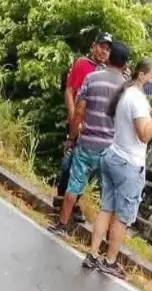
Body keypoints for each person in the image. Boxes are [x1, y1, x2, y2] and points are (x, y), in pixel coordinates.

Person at [84, 58, 152, 278]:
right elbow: (144, 134)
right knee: (122, 217)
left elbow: (145, 126)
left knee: (107, 209)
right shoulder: (138, 100)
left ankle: (93, 254)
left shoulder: (127, 94)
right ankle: (110, 260)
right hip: (128, 164)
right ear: (141, 75)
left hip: (113, 155)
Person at [48, 41, 129, 236]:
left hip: (87, 142)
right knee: (108, 196)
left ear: (109, 57)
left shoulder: (92, 78)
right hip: (110, 149)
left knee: (74, 184)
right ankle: (104, 241)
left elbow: (79, 111)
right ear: (125, 64)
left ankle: (62, 225)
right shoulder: (127, 89)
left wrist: (72, 137)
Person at [53, 32, 113, 216]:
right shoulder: (82, 64)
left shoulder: (108, 73)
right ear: (93, 46)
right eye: (101, 46)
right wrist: (73, 119)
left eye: (108, 49)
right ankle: (61, 197)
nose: (104, 51)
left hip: (93, 129)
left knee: (86, 168)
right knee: (68, 162)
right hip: (76, 122)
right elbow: (70, 91)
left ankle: (73, 202)